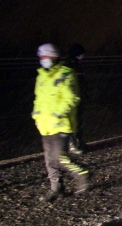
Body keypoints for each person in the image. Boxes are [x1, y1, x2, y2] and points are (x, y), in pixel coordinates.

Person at [33, 43, 89, 202]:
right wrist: (36, 115)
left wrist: (58, 113)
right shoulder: (41, 76)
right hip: (45, 126)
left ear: (54, 56)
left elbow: (72, 97)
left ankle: (82, 174)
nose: (43, 59)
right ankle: (56, 189)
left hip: (60, 124)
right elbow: (39, 99)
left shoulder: (66, 73)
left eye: (46, 56)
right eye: (41, 56)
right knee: (50, 161)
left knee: (61, 158)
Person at [65, 43, 86, 155]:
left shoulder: (76, 64)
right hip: (73, 99)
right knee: (73, 122)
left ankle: (79, 142)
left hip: (77, 97)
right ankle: (74, 143)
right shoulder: (70, 65)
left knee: (78, 121)